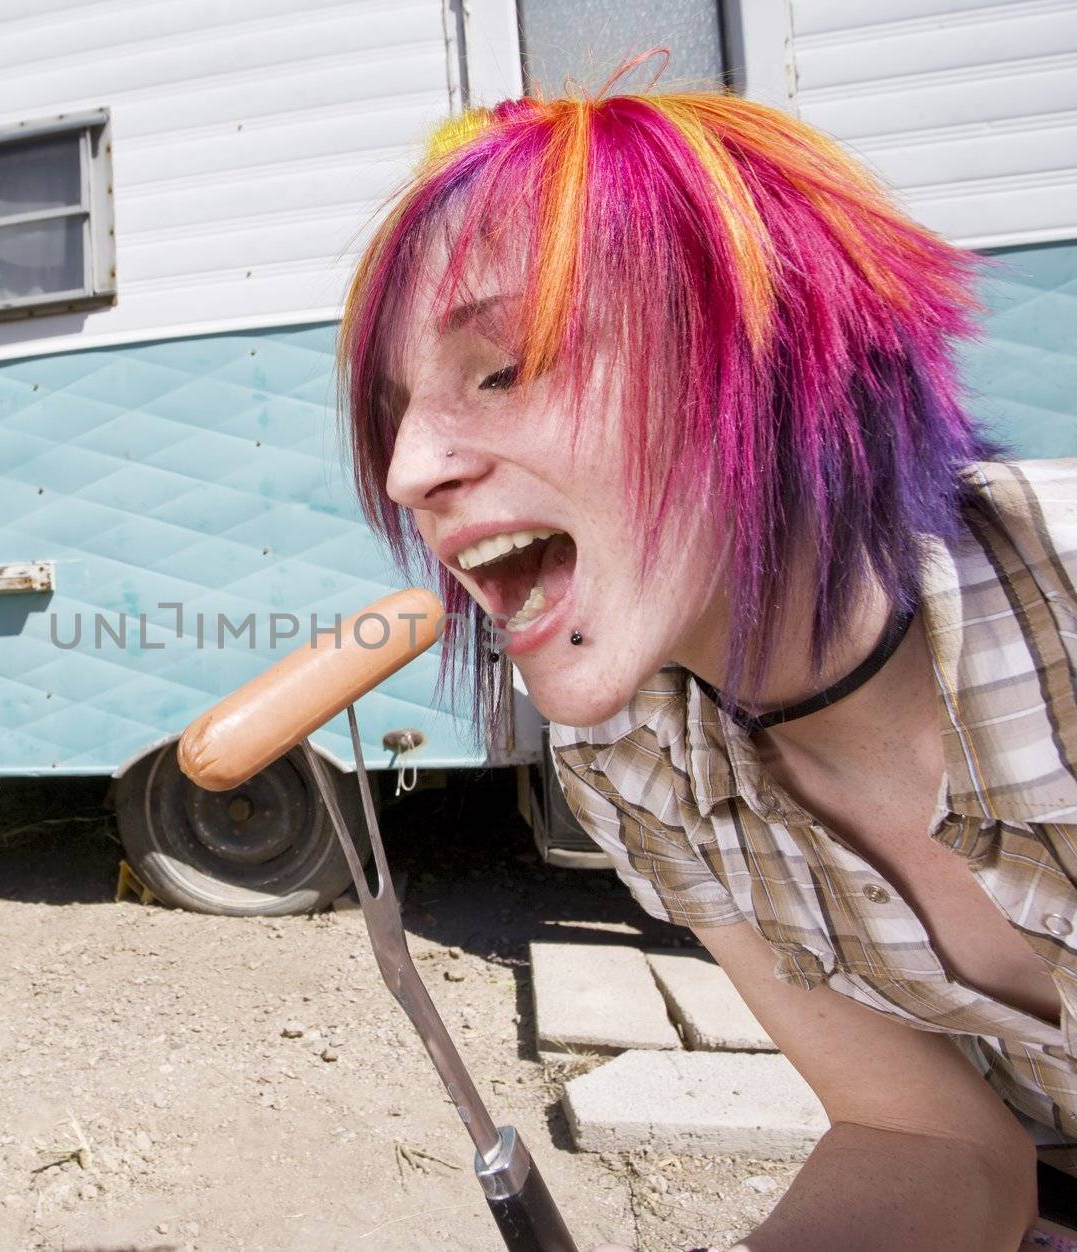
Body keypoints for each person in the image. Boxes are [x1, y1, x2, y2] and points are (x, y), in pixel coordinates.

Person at [338, 55, 1077, 1252]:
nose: (406, 473)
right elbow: (927, 1139)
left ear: (778, 349)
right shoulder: (630, 761)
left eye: (507, 363)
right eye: (395, 412)